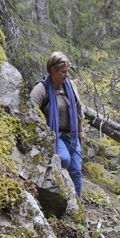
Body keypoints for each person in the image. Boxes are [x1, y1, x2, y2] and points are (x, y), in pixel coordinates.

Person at [30, 52, 84, 199]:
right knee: (64, 160)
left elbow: (79, 110)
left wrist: (80, 132)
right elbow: (29, 111)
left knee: (77, 170)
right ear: (53, 70)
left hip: (72, 135)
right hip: (54, 135)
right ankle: (60, 196)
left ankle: (77, 204)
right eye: (63, 72)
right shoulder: (42, 89)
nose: (66, 75)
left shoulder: (70, 86)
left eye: (67, 71)